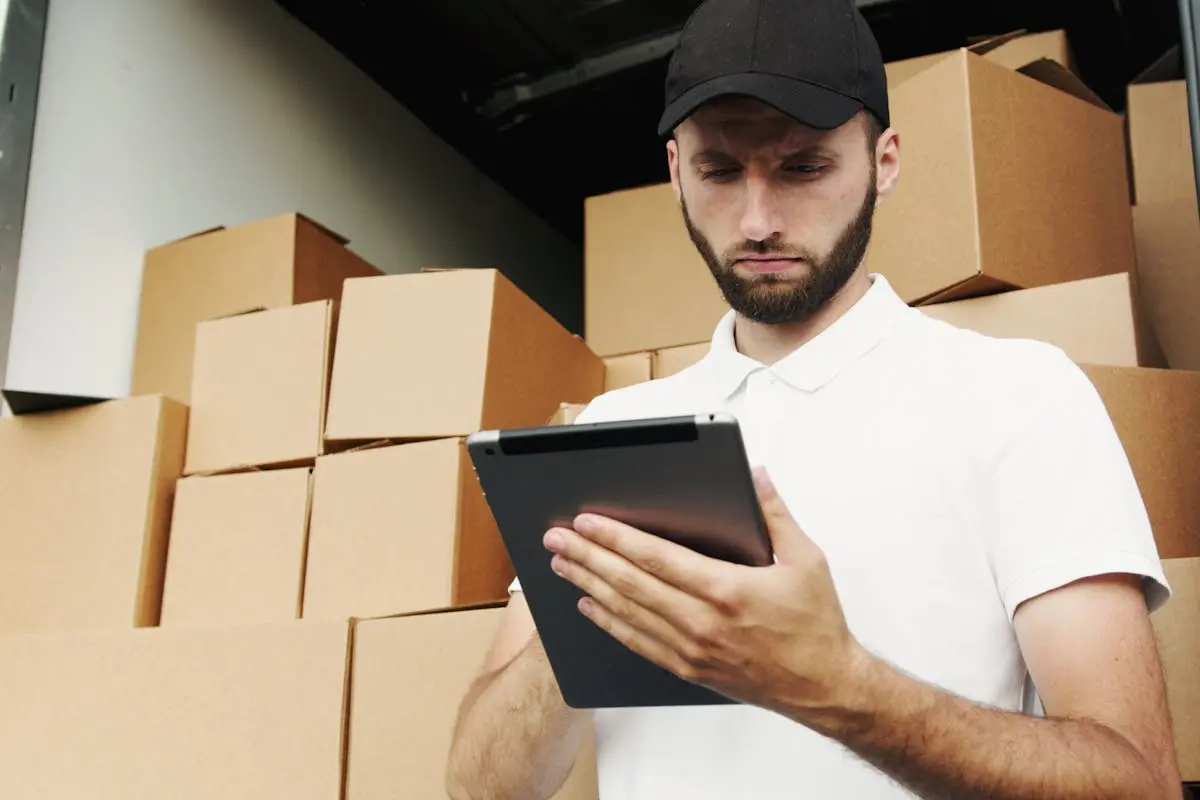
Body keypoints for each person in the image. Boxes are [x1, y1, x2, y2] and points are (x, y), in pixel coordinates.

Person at [445, 0, 1183, 796]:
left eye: (804, 167)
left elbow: (1138, 783)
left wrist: (837, 683)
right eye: (719, 171)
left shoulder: (1020, 398)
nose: (758, 222)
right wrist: (597, 614)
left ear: (885, 160)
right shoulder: (614, 430)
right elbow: (480, 788)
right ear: (673, 173)